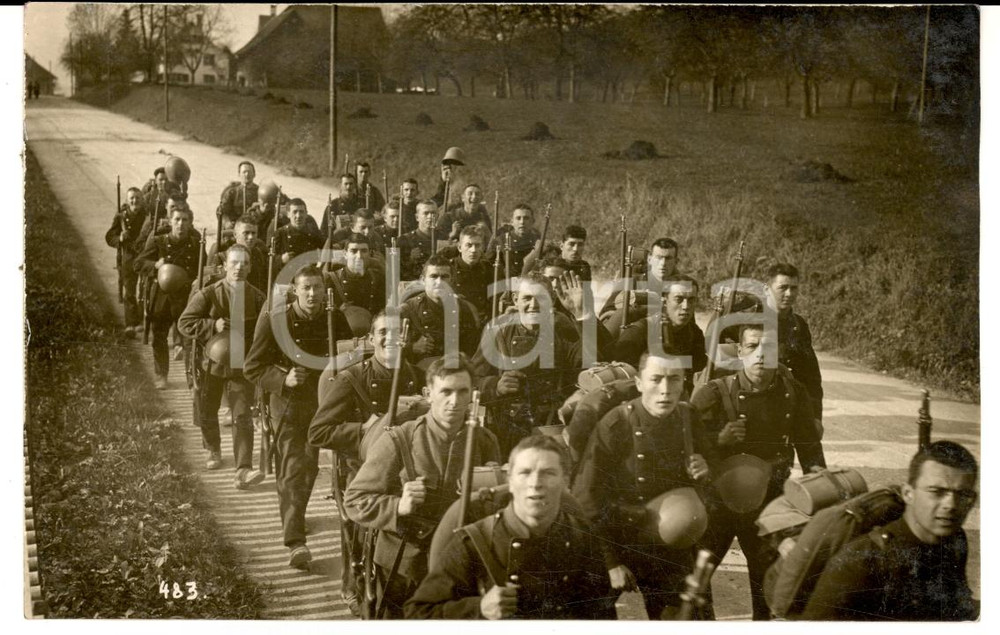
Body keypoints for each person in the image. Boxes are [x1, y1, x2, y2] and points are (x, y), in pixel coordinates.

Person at [344, 355, 502, 619]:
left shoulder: (484, 441)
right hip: (404, 565)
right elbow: (355, 500)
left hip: (459, 565)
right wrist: (398, 505)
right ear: (429, 394)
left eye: (463, 391)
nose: (454, 401)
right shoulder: (399, 438)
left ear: (473, 395)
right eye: (446, 392)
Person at [690, 323, 826, 620]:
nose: (761, 354)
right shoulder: (713, 393)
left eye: (769, 347)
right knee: (696, 579)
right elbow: (682, 444)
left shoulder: (793, 393)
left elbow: (811, 450)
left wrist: (821, 496)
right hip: (718, 501)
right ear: (740, 351)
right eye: (752, 346)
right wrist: (718, 439)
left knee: (768, 584)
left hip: (769, 501)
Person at [405, 435, 617, 620]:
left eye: (548, 473)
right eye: (525, 472)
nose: (535, 483)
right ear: (510, 481)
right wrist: (478, 609)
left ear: (565, 481)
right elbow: (417, 613)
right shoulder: (474, 542)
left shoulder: (582, 538)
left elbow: (601, 617)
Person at [572, 354, 716, 620]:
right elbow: (586, 497)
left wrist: (705, 470)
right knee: (587, 617)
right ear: (639, 383)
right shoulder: (616, 424)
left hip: (666, 544)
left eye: (674, 379)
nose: (665, 389)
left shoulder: (688, 417)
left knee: (689, 617)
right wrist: (611, 562)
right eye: (656, 379)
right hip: (615, 536)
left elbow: (712, 471)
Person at [309, 312, 424, 615]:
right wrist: (364, 429)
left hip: (407, 470)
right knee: (357, 527)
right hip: (361, 470)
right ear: (372, 339)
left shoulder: (418, 375)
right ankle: (353, 581)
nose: (390, 338)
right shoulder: (352, 379)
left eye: (398, 332)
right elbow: (318, 431)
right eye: (383, 332)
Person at [244, 264, 353, 568]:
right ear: (294, 290)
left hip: (326, 404)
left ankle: (297, 515)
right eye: (305, 287)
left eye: (317, 287)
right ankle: (295, 542)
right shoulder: (275, 320)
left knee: (310, 469)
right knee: (294, 468)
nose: (312, 294)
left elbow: (348, 358)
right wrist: (282, 379)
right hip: (290, 404)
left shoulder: (335, 318)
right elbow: (253, 367)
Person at [801, 440, 979, 621]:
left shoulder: (955, 539)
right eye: (936, 491)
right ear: (908, 494)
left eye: (963, 494)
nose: (951, 505)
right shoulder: (862, 560)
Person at [472, 271, 612, 454]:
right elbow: (472, 380)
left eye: (541, 298)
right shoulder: (499, 330)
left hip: (553, 425)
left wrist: (581, 315)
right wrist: (495, 386)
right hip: (509, 428)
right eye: (527, 298)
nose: (533, 305)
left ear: (552, 299)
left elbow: (593, 367)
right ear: (515, 300)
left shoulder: (563, 328)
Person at [178, 245, 267, 483]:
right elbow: (185, 323)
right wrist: (211, 326)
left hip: (242, 365)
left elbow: (267, 331)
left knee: (242, 414)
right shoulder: (208, 294)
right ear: (225, 265)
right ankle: (213, 449)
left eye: (244, 263)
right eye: (234, 263)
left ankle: (243, 468)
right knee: (208, 409)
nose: (239, 268)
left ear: (250, 267)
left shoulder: (258, 297)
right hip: (211, 363)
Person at [135, 204, 204, 389]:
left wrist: (197, 280)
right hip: (162, 297)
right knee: (159, 335)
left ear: (190, 222)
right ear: (170, 221)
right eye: (177, 220)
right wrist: (155, 266)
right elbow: (138, 263)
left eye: (185, 220)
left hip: (186, 297)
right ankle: (161, 375)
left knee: (190, 338)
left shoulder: (196, 244)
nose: (181, 224)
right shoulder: (159, 242)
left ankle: (192, 378)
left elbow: (204, 269)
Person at [612, 276, 707, 396]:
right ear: (665, 300)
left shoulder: (694, 332)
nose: (686, 306)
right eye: (679, 299)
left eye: (692, 300)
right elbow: (623, 378)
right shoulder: (638, 332)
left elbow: (699, 371)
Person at [765, 263, 823, 423]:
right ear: (767, 289)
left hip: (789, 408)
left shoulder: (799, 325)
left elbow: (811, 377)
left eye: (794, 288)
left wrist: (816, 417)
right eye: (783, 287)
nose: (789, 294)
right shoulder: (748, 321)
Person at [401, 255, 481, 368]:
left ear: (452, 280)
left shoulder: (463, 309)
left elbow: (472, 348)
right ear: (423, 280)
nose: (439, 282)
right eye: (433, 276)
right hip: (419, 373)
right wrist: (412, 347)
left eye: (444, 277)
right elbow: (386, 349)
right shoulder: (408, 309)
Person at [105, 186, 148, 338]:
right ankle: (130, 324)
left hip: (143, 257)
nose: (135, 200)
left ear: (142, 200)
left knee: (144, 290)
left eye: (137, 198)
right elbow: (110, 236)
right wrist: (120, 238)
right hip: (128, 257)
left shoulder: (147, 216)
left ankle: (142, 322)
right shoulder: (121, 217)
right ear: (127, 200)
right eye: (132, 198)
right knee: (129, 291)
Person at [601, 237, 680, 317]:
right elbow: (606, 312)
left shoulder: (680, 287)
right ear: (650, 259)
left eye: (668, 258)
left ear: (676, 261)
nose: (663, 263)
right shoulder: (632, 282)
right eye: (658, 258)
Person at [208, 216, 269, 296]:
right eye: (246, 233)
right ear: (235, 234)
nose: (250, 237)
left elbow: (263, 283)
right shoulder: (222, 256)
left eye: (253, 233)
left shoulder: (258, 254)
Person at [331, 234, 386, 317]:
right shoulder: (332, 279)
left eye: (364, 251)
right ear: (345, 254)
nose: (359, 256)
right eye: (354, 251)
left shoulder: (378, 278)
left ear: (370, 253)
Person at [448, 225, 493, 323]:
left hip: (482, 323)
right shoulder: (448, 269)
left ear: (482, 247)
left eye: (477, 245)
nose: (473, 250)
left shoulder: (488, 269)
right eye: (469, 245)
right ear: (459, 247)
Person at [398, 201, 449, 281]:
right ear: (417, 217)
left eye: (433, 213)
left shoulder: (444, 237)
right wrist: (411, 260)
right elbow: (397, 271)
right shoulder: (404, 240)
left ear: (438, 216)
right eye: (426, 213)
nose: (430, 216)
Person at [492, 205, 540, 277]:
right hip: (506, 284)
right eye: (518, 218)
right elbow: (489, 265)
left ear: (532, 221)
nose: (522, 222)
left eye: (526, 218)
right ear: (512, 222)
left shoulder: (538, 242)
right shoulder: (500, 241)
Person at [274, 198, 324, 264]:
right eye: (295, 212)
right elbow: (269, 258)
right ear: (288, 214)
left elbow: (327, 247)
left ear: (306, 214)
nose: (298, 216)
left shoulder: (313, 232)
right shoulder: (281, 233)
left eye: (301, 212)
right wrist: (281, 259)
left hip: (308, 272)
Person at [322, 173, 364, 238]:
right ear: (340, 186)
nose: (348, 187)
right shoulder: (333, 206)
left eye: (351, 184)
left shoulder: (362, 203)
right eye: (346, 184)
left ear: (355, 185)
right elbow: (324, 231)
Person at [217, 161, 259, 226]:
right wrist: (227, 222)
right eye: (244, 172)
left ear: (254, 174)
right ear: (239, 174)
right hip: (235, 227)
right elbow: (222, 212)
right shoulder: (232, 192)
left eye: (249, 172)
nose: (247, 174)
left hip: (255, 226)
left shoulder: (260, 192)